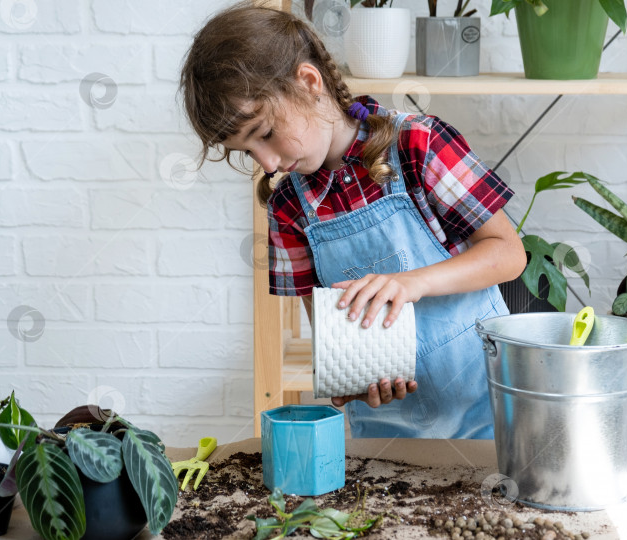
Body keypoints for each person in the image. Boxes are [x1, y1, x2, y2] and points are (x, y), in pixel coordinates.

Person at [180, 2, 526, 439]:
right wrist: (353, 378)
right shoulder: (289, 208)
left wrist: (411, 283)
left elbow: (508, 254)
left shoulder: (418, 144)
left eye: (265, 134)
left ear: (308, 82)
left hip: (491, 414)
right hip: (387, 437)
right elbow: (331, 336)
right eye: (247, 151)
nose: (267, 164)